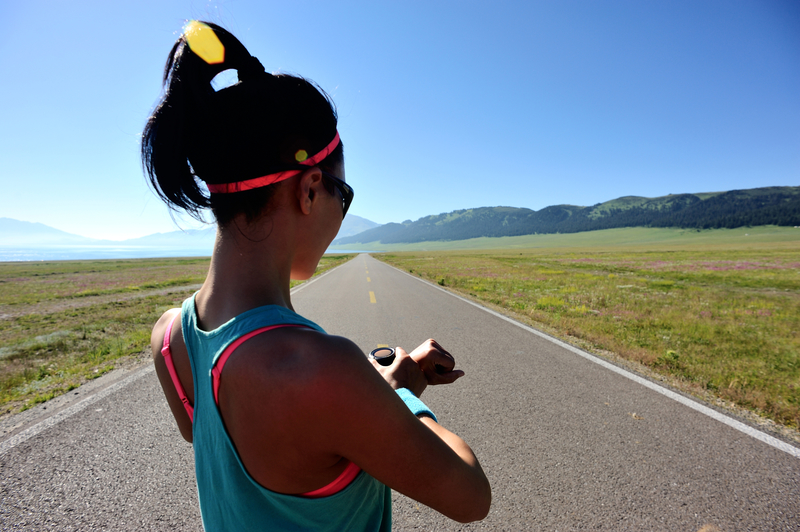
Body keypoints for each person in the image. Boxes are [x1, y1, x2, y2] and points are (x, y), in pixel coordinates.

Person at [142, 20, 491, 531]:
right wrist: (396, 395)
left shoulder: (169, 339)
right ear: (309, 190)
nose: (342, 213)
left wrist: (380, 388)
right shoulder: (319, 370)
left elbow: (273, 433)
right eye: (343, 196)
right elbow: (471, 496)